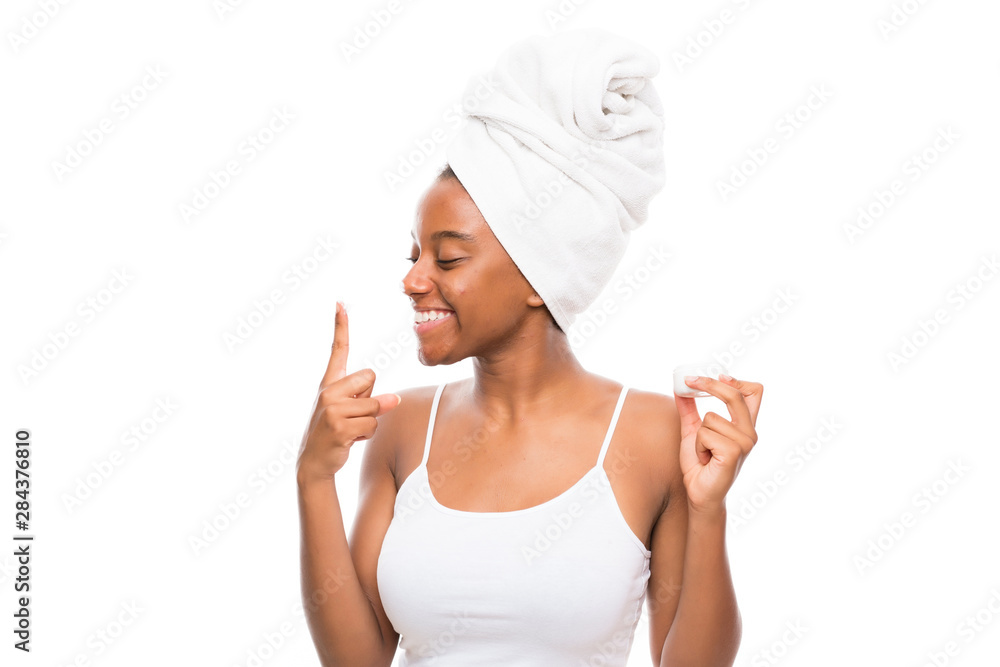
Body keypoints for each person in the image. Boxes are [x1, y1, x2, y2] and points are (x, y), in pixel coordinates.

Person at [297, 28, 763, 667]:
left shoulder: (657, 434)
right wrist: (314, 477)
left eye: (448, 258)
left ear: (540, 278)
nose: (413, 281)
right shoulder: (400, 429)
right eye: (414, 255)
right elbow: (358, 662)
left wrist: (708, 511)